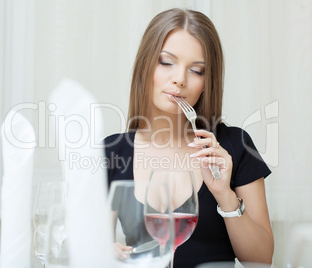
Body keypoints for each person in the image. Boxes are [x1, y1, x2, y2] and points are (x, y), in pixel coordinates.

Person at [104, 8, 274, 267]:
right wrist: (104, 250)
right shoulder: (112, 152)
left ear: (208, 82)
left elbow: (261, 259)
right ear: (145, 65)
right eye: (166, 62)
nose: (180, 79)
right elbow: (86, 242)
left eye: (196, 70)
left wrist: (224, 194)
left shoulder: (235, 145)